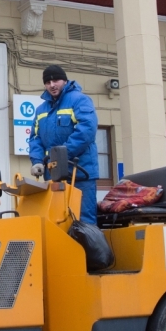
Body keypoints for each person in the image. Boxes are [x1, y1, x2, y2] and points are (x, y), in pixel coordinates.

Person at [28, 65, 100, 226]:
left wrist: (61, 156)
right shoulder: (41, 110)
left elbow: (87, 130)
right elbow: (35, 138)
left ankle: (88, 252)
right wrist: (37, 161)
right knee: (57, 221)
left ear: (65, 81)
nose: (52, 85)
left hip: (81, 173)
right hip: (53, 174)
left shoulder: (79, 100)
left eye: (55, 80)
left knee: (83, 221)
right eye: (47, 82)